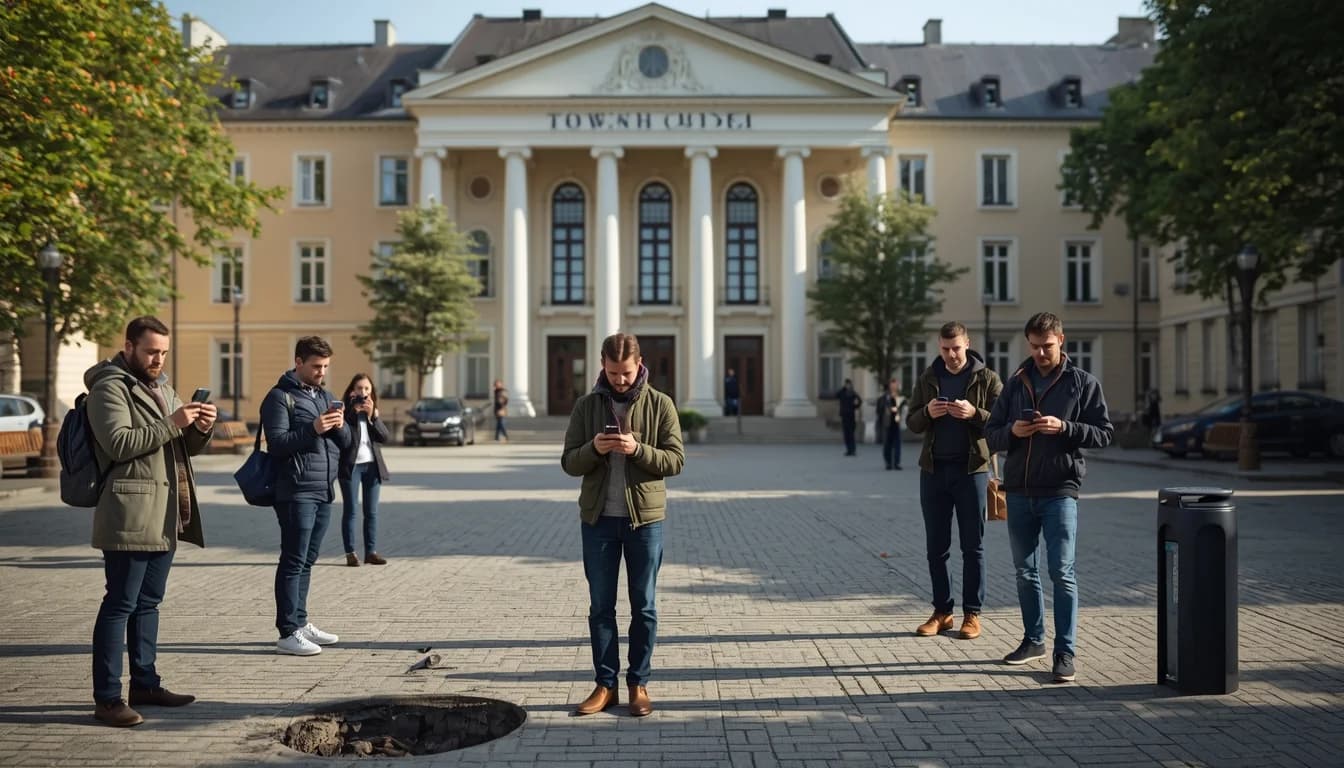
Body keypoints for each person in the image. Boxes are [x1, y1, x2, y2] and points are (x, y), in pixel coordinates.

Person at [86, 316, 216, 727]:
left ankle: (145, 684)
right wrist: (173, 422)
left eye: (163, 352)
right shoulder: (109, 388)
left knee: (148, 603)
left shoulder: (162, 387)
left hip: (163, 514)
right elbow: (119, 443)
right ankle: (108, 699)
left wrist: (200, 429)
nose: (158, 359)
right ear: (128, 347)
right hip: (129, 512)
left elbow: (180, 445)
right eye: (150, 352)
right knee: (119, 604)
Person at [561, 332, 685, 718]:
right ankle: (605, 685)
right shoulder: (586, 406)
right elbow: (568, 462)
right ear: (602, 365)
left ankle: (638, 685)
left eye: (626, 372)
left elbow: (675, 460)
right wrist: (593, 449)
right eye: (613, 372)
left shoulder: (660, 404)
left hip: (644, 523)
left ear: (639, 364)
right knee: (601, 607)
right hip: (598, 521)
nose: (620, 380)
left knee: (643, 606)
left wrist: (638, 450)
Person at [986, 312, 1113, 683]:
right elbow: (990, 434)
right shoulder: (1016, 383)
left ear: (1061, 341)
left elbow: (1104, 434)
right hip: (1019, 491)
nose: (1041, 353)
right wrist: (1013, 431)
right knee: (1025, 571)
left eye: (1048, 346)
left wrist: (1065, 427)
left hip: (1060, 491)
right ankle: (1033, 641)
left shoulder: (1082, 383)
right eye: (1035, 346)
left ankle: (1065, 652)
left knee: (1061, 571)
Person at [904, 322, 1004, 642]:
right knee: (937, 547)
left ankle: (972, 613)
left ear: (967, 344)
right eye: (946, 349)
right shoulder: (928, 377)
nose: (951, 355)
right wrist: (928, 412)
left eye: (956, 348)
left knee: (973, 546)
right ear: (939, 346)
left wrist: (974, 413)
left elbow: (1003, 424)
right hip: (933, 471)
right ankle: (942, 612)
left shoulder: (987, 378)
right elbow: (911, 422)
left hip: (972, 471)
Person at [262, 336, 351, 657]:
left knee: (308, 559)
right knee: (293, 559)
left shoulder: (325, 395)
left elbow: (346, 442)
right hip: (295, 490)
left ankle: (300, 621)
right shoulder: (279, 397)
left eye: (325, 366)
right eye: (316, 366)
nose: (321, 372)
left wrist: (339, 426)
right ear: (298, 362)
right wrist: (313, 427)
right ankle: (287, 632)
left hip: (323, 489)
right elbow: (277, 444)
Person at [338, 373, 390, 567]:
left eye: (367, 388)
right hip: (351, 467)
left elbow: (384, 437)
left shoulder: (372, 412)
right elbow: (343, 438)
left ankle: (371, 552)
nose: (363, 392)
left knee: (371, 512)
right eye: (359, 388)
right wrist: (352, 412)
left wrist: (373, 417)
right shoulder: (344, 411)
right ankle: (350, 553)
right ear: (352, 391)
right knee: (351, 510)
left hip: (372, 467)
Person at [875, 378, 906, 470]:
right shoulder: (884, 398)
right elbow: (879, 410)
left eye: (896, 385)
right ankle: (888, 463)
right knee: (887, 444)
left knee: (897, 445)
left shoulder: (900, 397)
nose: (894, 387)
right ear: (889, 386)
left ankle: (896, 463)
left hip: (896, 423)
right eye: (893, 385)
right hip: (887, 424)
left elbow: (903, 407)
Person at [835, 378, 862, 456]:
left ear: (851, 385)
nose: (848, 385)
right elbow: (836, 395)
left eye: (849, 384)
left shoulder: (853, 393)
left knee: (851, 434)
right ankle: (848, 450)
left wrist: (855, 407)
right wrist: (843, 388)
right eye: (846, 384)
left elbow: (860, 400)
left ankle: (853, 450)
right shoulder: (842, 392)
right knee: (846, 434)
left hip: (851, 415)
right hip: (844, 415)